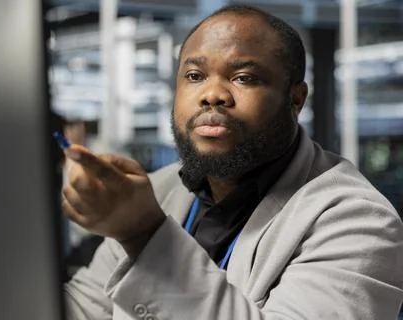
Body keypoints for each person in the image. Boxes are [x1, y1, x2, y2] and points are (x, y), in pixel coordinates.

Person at [62, 4, 403, 320]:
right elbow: (83, 307)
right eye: (194, 76)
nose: (213, 94)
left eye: (244, 78)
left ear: (295, 99)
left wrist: (142, 234)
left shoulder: (358, 221)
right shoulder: (160, 190)